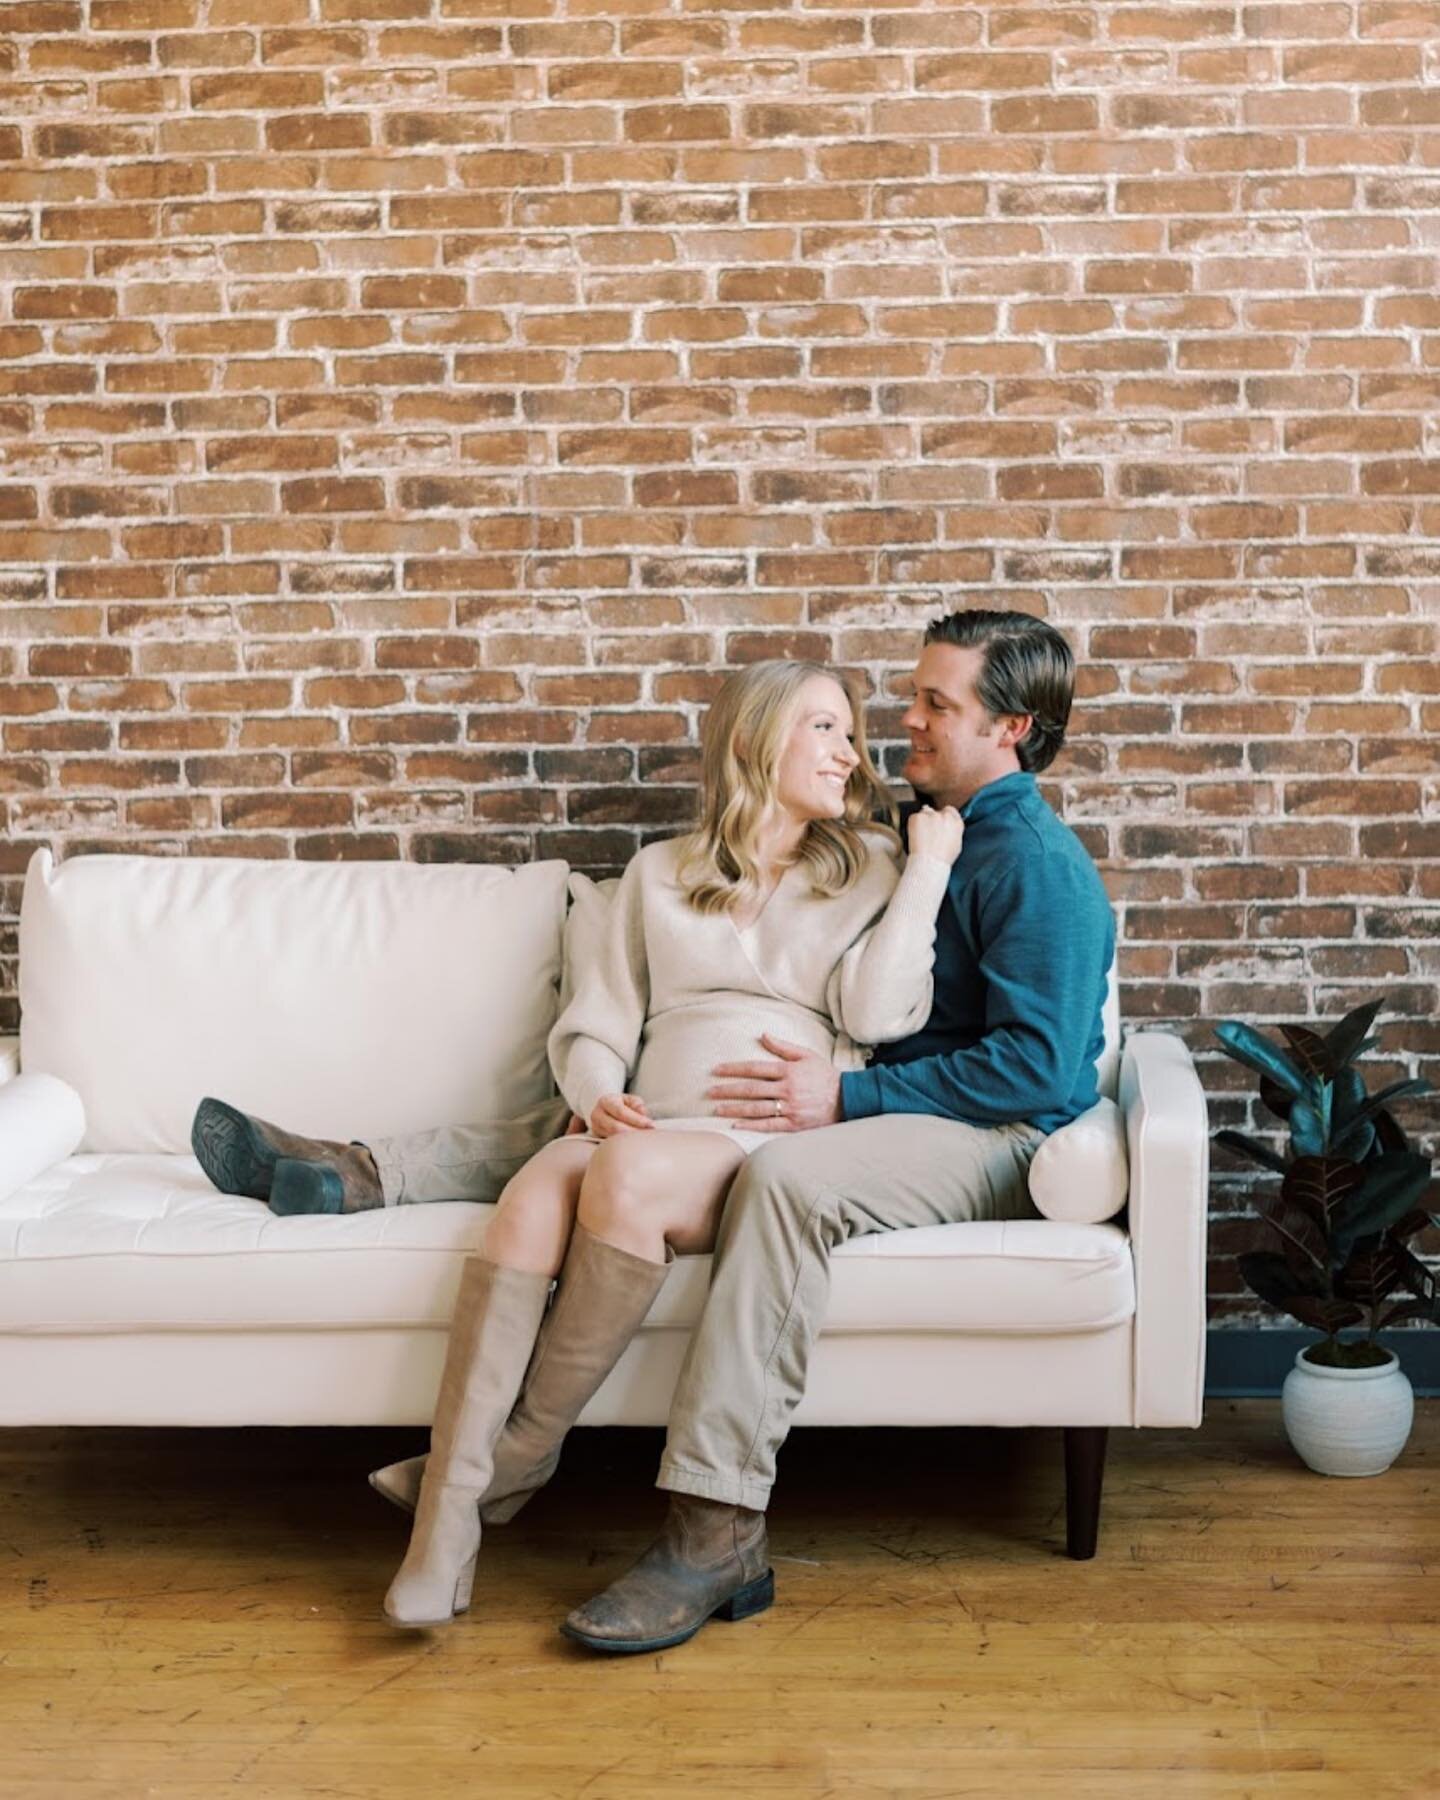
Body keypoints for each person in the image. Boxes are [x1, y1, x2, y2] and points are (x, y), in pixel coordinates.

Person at [189, 659, 964, 1630]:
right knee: (546, 1177)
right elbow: (598, 1025)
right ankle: (445, 1536)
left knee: (616, 1173)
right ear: (755, 740)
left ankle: (497, 1469)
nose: (852, 751)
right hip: (650, 1131)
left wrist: (929, 867)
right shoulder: (658, 875)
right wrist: (598, 1101)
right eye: (825, 728)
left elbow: (880, 1010)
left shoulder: (873, 872)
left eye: (851, 731)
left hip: (761, 1148)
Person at [558, 608, 1115, 1656]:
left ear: (1012, 729)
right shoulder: (922, 835)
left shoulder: (1036, 863)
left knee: (790, 1185)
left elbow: (1038, 1071)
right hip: (918, 1111)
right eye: (913, 696)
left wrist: (846, 1100)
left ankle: (715, 1532)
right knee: (651, 1157)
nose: (904, 720)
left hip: (999, 1136)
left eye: (935, 705)